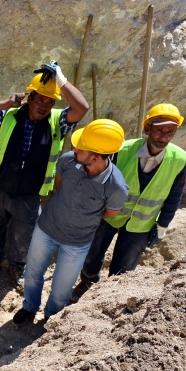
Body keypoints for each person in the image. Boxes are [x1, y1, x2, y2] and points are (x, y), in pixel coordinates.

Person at [0, 62, 90, 283]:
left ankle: (17, 266)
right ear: (30, 98)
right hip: (0, 186)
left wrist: (61, 80)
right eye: (40, 99)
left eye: (49, 101)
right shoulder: (10, 114)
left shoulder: (58, 122)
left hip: (29, 193)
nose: (44, 105)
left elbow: (81, 108)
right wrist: (7, 102)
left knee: (23, 234)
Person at [12, 120, 129, 325]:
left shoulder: (116, 187)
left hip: (76, 243)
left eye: (80, 147)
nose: (74, 148)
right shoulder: (68, 161)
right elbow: (59, 186)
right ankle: (29, 307)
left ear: (94, 157)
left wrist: (86, 217)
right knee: (32, 274)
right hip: (46, 229)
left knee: (61, 291)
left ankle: (51, 319)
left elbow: (111, 212)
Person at [70, 103, 186, 302]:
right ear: (147, 129)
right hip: (108, 215)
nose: (165, 136)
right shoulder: (122, 149)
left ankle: (111, 298)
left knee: (125, 265)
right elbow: (100, 181)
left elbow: (174, 196)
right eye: (160, 130)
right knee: (93, 253)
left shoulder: (180, 159)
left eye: (170, 131)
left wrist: (162, 226)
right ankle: (87, 282)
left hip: (141, 223)